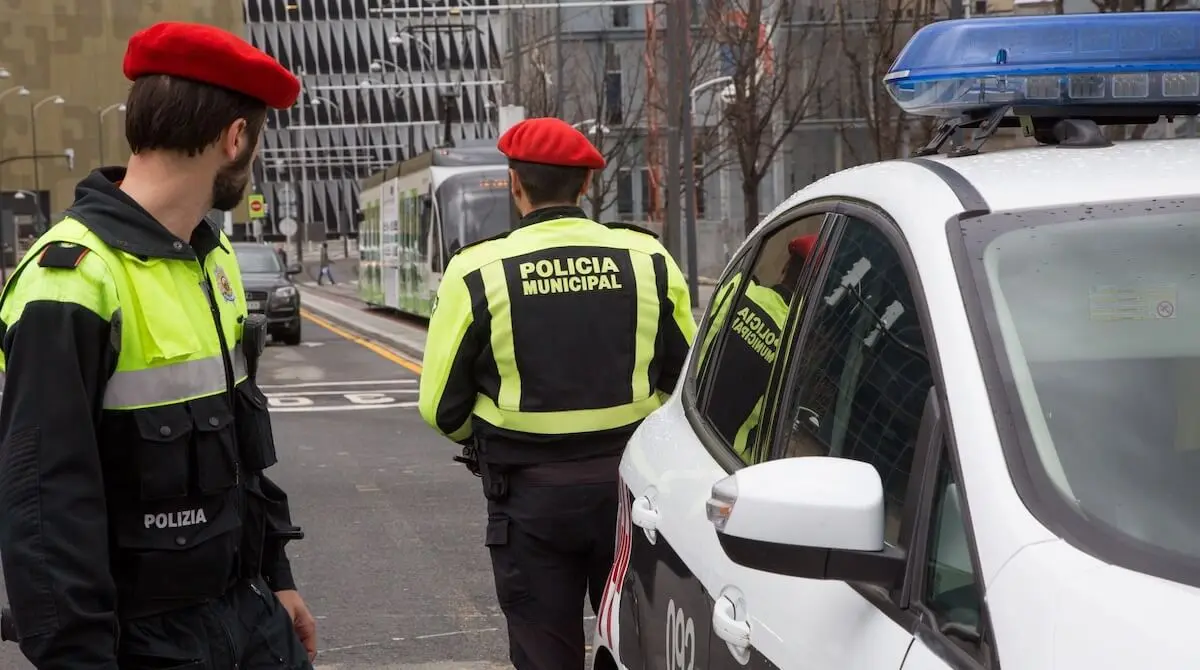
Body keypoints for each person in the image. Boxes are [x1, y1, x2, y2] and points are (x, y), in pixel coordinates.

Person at [0, 21, 317, 669]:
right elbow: (43, 513)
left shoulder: (212, 260)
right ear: (234, 139)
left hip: (247, 616)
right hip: (143, 641)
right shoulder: (71, 281)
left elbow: (243, 451)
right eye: (254, 143)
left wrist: (276, 578)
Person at [418, 117, 696, 670]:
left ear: (514, 183)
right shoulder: (649, 261)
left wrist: (497, 434)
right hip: (631, 493)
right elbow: (685, 379)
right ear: (586, 187)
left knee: (545, 653)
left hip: (528, 501)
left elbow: (441, 408)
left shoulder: (476, 271)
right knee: (634, 646)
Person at [697, 234, 816, 462]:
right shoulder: (798, 341)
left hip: (690, 426)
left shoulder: (737, 292)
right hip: (731, 460)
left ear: (785, 268)